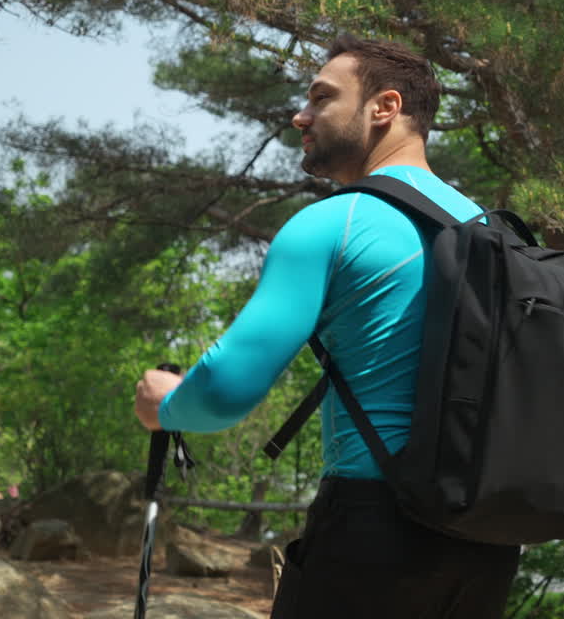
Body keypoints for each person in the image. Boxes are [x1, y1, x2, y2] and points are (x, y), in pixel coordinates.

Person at [133, 35, 521, 618]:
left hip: (374, 531)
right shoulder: (491, 230)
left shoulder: (335, 223)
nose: (300, 115)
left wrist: (164, 406)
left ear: (384, 107)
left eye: (321, 98)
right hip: (486, 545)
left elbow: (222, 393)